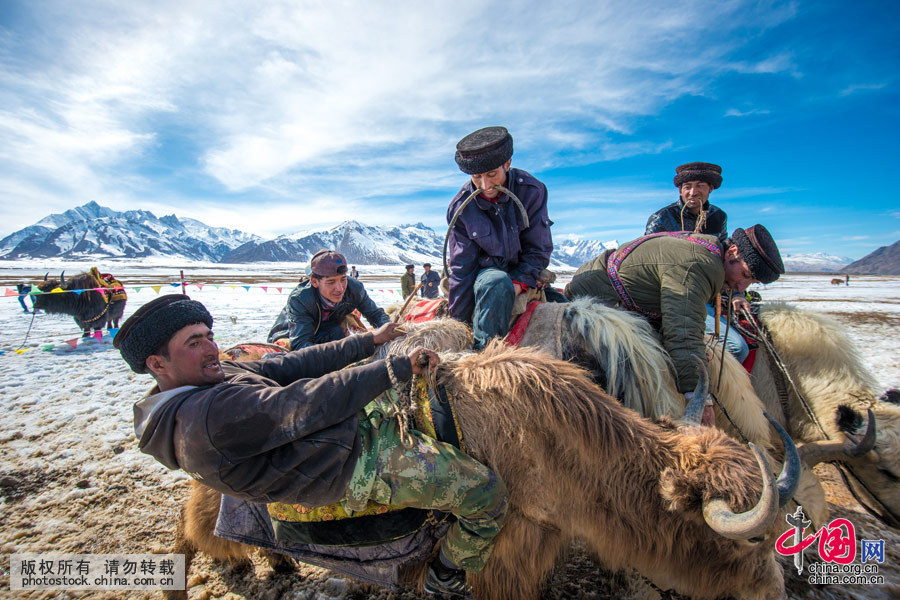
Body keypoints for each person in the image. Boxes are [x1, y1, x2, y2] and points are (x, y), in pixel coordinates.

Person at [115, 294, 507, 595]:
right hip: (345, 463)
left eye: (209, 336)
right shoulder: (207, 419)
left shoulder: (207, 381)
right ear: (157, 364)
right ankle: (447, 572)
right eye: (194, 342)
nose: (212, 349)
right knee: (485, 493)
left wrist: (367, 342)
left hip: (333, 434)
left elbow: (287, 366)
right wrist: (394, 368)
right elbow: (303, 402)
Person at [565, 225, 785, 426]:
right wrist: (699, 398)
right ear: (733, 251)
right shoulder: (700, 265)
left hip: (614, 290)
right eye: (745, 275)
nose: (742, 285)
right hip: (598, 295)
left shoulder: (709, 250)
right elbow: (683, 333)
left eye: (751, 282)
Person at [446, 126, 553, 349]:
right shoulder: (461, 208)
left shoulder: (532, 191)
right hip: (487, 275)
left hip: (525, 271)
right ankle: (484, 354)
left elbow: (538, 248)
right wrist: (457, 325)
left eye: (491, 174)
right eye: (477, 177)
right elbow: (461, 268)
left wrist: (519, 283)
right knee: (495, 282)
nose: (485, 185)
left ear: (507, 163)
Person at [645, 162, 749, 362]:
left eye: (700, 185)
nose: (693, 192)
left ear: (710, 188)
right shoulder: (661, 218)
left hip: (706, 293)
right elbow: (649, 260)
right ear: (680, 189)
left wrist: (735, 294)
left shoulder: (718, 217)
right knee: (736, 348)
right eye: (687, 186)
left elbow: (723, 260)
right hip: (672, 294)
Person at [268, 250, 390, 350]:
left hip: (328, 329)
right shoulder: (300, 299)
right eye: (331, 282)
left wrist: (391, 331)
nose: (340, 288)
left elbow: (375, 314)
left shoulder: (354, 289)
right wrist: (351, 348)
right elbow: (301, 344)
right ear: (314, 281)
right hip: (291, 335)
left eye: (343, 279)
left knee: (340, 330)